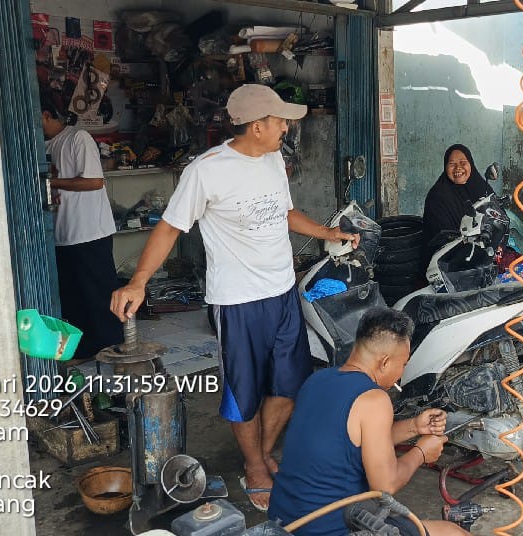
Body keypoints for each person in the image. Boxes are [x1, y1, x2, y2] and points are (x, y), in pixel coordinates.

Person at [110, 84, 358, 511]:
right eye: (280, 122)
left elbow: (284, 213)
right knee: (244, 391)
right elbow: (169, 227)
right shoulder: (206, 171)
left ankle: (262, 452)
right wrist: (139, 281)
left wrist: (327, 232)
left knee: (290, 384)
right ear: (257, 126)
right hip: (238, 301)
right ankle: (255, 465)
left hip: (283, 292)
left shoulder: (274, 159)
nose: (286, 128)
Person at [268, 307, 468, 536]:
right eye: (403, 364)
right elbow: (385, 485)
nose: (401, 373)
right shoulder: (374, 399)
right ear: (384, 362)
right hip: (330, 530)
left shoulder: (317, 380)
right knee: (454, 532)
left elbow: (353, 443)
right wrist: (421, 452)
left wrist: (414, 426)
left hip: (282, 521)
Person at [41, 95, 123, 359]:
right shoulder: (44, 145)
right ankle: (84, 348)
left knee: (98, 294)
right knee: (73, 296)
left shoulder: (78, 138)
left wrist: (51, 183)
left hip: (89, 232)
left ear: (45, 115)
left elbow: (94, 181)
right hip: (61, 234)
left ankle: (112, 347)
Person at [422, 144, 495, 252]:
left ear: (471, 164)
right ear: (445, 166)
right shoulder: (437, 196)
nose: (458, 168)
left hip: (485, 249)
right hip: (450, 256)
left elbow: (496, 214)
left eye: (463, 162)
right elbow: (441, 238)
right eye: (452, 164)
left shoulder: (482, 188)